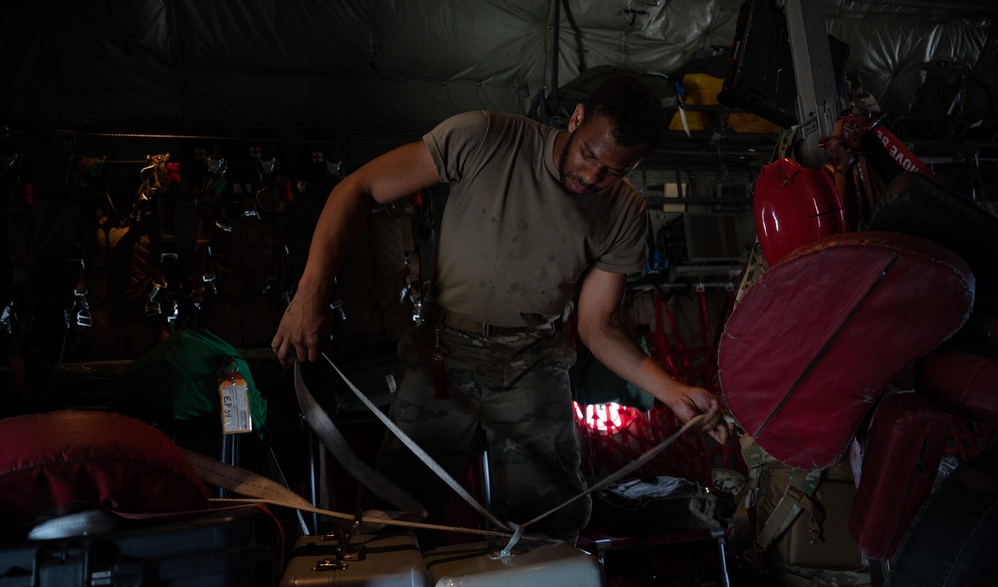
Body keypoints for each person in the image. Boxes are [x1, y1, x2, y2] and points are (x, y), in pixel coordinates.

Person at [271, 72, 730, 540]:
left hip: (530, 363)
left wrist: (671, 391)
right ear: (576, 118)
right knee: (397, 513)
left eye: (615, 171)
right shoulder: (485, 136)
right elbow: (358, 188)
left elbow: (598, 328)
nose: (592, 176)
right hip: (441, 355)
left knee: (551, 522)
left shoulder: (625, 212)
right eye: (589, 154)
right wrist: (311, 294)